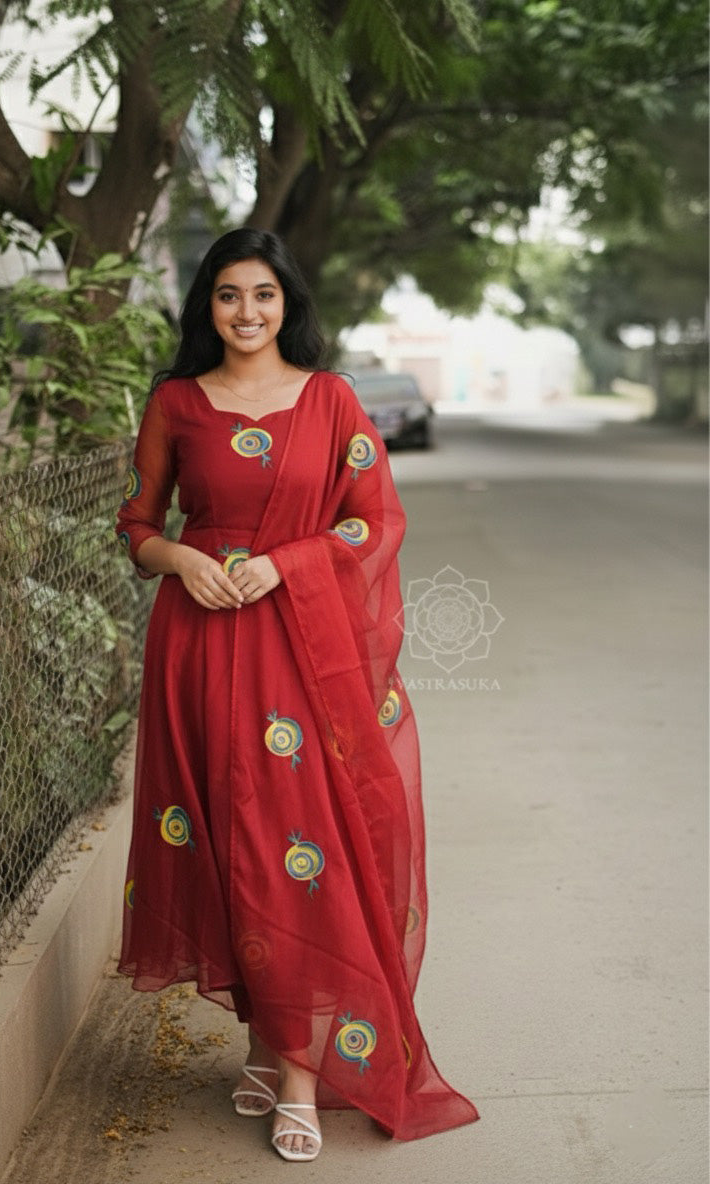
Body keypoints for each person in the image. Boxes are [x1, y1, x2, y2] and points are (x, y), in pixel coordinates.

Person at [115, 228, 479, 1162]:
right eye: (229, 296)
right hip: (199, 643)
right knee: (229, 838)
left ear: (288, 305)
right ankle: (268, 1042)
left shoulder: (332, 400)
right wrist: (184, 558)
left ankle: (304, 1073)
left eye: (264, 296)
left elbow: (377, 519)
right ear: (207, 306)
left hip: (299, 647)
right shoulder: (176, 403)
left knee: (299, 843)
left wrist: (288, 564)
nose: (246, 313)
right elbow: (139, 522)